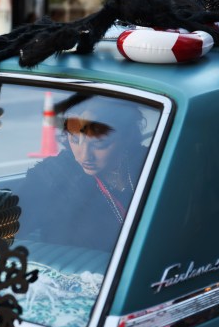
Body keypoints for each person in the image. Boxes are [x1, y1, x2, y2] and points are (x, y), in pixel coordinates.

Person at [16, 96, 148, 252]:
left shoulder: (150, 164)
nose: (85, 156)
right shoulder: (53, 176)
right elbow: (11, 220)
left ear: (126, 137)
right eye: (74, 139)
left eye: (99, 143)